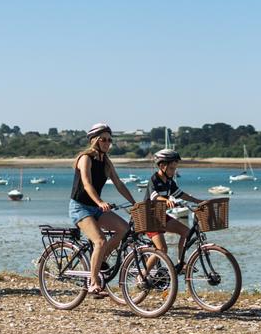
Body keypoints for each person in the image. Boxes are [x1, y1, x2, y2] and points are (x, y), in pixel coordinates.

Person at [69, 123, 138, 298]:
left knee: (124, 229)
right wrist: (100, 202)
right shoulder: (85, 158)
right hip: (80, 207)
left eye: (109, 140)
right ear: (95, 140)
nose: (107, 143)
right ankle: (93, 283)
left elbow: (119, 184)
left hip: (96, 208)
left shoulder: (106, 161)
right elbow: (87, 184)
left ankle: (100, 261)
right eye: (104, 139)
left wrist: (134, 203)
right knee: (100, 240)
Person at [144, 149, 202, 271]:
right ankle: (142, 275)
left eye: (175, 168)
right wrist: (166, 201)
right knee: (162, 250)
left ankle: (181, 263)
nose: (174, 171)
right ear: (162, 166)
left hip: (161, 216)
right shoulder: (154, 179)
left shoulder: (169, 181)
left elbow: (180, 194)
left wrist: (197, 201)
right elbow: (154, 196)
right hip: (149, 217)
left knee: (186, 232)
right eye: (171, 168)